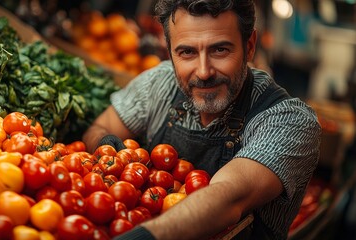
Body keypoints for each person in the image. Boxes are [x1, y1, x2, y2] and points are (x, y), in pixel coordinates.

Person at [82, 0, 321, 239]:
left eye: (220, 50)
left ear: (249, 46)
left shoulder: (289, 121)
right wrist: (106, 145)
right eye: (187, 52)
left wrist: (142, 236)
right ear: (170, 51)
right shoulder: (159, 83)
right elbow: (100, 127)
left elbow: (227, 198)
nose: (204, 71)